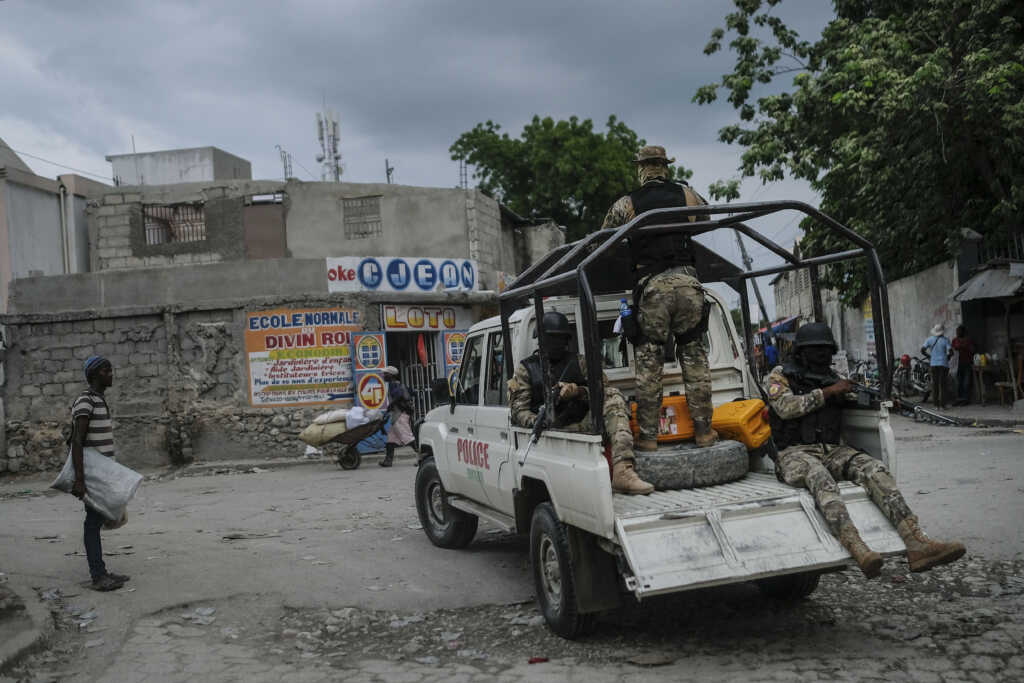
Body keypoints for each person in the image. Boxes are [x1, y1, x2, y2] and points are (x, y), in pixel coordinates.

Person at [764, 323, 965, 578]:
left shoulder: (832, 376)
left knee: (874, 469)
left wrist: (859, 396)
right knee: (820, 478)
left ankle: (917, 543)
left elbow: (847, 401)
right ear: (801, 352)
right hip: (793, 453)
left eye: (826, 350)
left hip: (831, 449)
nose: (821, 355)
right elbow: (785, 407)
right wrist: (828, 392)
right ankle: (856, 547)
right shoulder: (781, 375)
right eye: (815, 350)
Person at [601, 145, 718, 450]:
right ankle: (705, 433)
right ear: (665, 168)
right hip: (689, 284)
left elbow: (603, 241)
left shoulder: (627, 204)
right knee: (694, 358)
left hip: (653, 288)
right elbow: (707, 216)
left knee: (650, 362)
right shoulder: (687, 194)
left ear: (640, 169)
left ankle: (649, 438)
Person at [508, 312, 654, 495]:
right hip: (553, 433)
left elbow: (603, 388)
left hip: (583, 425)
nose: (556, 344)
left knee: (613, 395)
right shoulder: (526, 369)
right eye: (552, 339)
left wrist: (578, 391)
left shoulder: (579, 362)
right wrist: (538, 420)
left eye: (560, 339)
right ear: (541, 340)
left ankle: (623, 470)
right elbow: (517, 410)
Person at [71, 356, 130, 592]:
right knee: (93, 522)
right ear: (95, 375)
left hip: (103, 473)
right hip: (92, 475)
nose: (111, 374)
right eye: (107, 370)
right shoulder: (85, 401)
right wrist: (80, 479)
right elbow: (77, 440)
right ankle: (98, 575)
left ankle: (101, 571)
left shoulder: (98, 400)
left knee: (98, 520)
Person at [380, 366, 414, 467]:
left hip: (400, 415)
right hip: (396, 414)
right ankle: (388, 461)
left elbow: (398, 396)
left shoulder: (394, 385)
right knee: (391, 439)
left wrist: (389, 407)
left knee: (408, 437)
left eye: (386, 374)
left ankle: (422, 456)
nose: (384, 375)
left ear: (391, 375)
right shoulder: (393, 384)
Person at [922, 323, 953, 409]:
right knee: (943, 385)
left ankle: (936, 405)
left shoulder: (929, 340)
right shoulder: (946, 340)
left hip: (933, 364)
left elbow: (922, 350)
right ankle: (943, 405)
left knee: (935, 384)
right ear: (942, 332)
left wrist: (929, 356)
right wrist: (947, 358)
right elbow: (951, 352)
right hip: (943, 365)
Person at [951, 325, 975, 405]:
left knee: (966, 383)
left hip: (967, 363)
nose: (957, 333)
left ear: (963, 332)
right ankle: (958, 399)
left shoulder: (968, 340)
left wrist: (964, 347)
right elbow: (952, 350)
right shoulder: (954, 340)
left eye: (959, 331)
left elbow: (973, 350)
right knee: (958, 383)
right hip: (957, 364)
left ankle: (965, 400)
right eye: (957, 331)